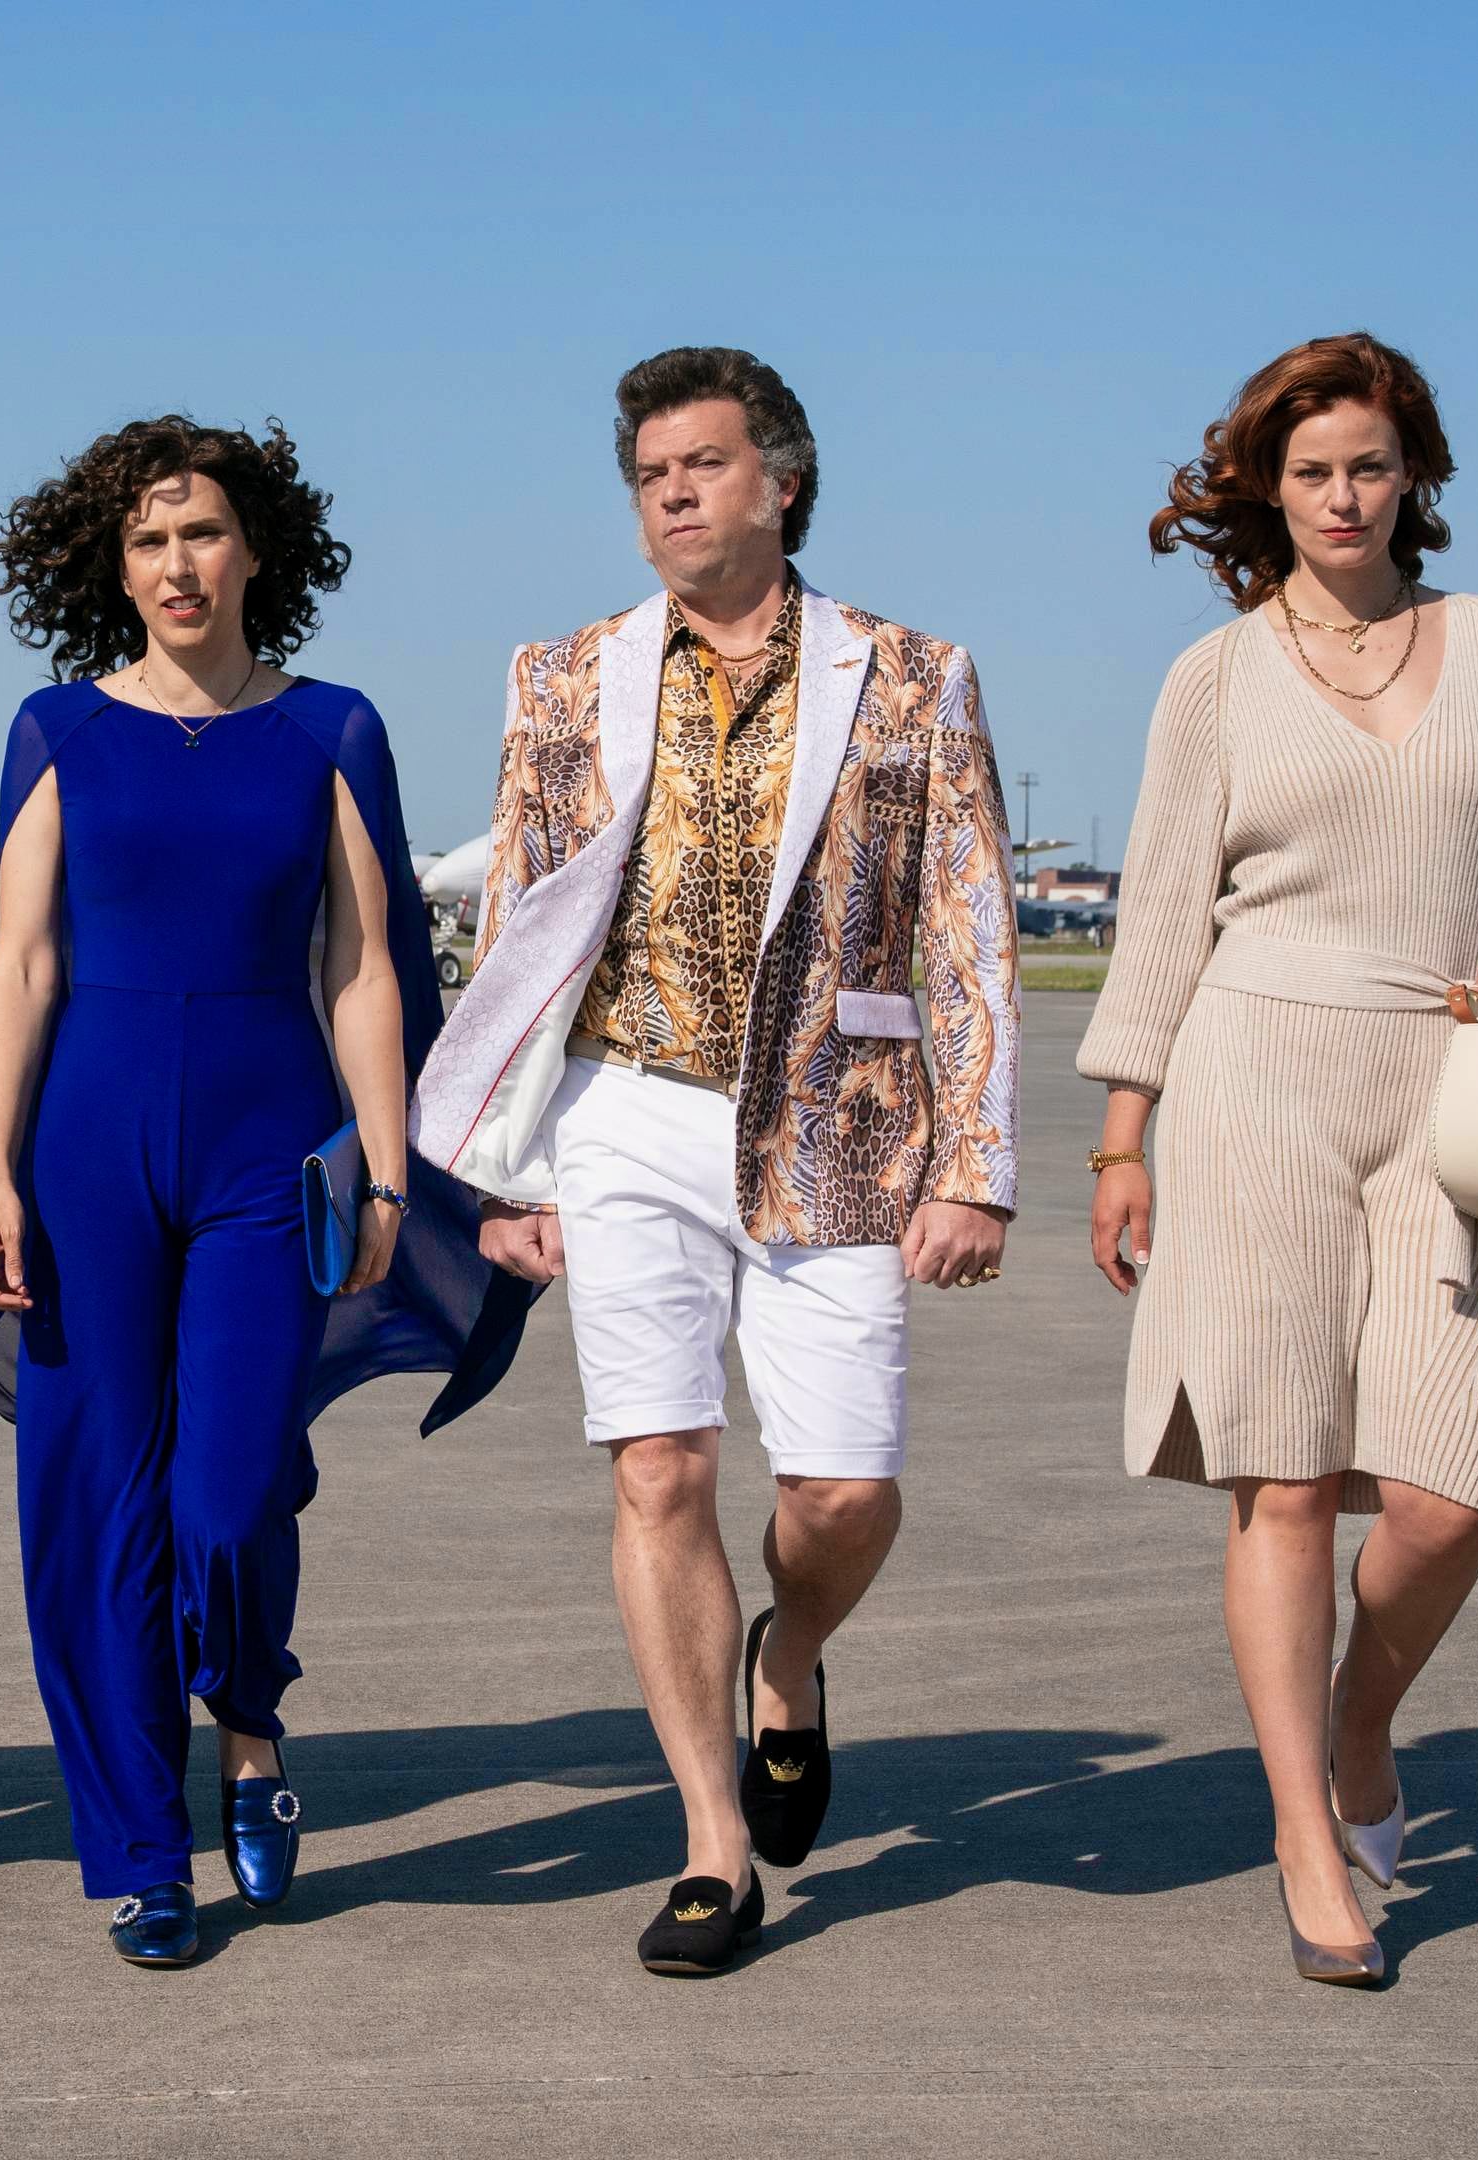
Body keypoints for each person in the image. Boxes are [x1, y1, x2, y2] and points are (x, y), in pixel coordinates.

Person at [412, 348, 1021, 1976]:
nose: (675, 493)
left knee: (844, 1491)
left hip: (839, 1119)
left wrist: (977, 1160)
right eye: (651, 475)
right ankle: (708, 1846)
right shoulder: (563, 677)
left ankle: (788, 1659)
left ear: (783, 483)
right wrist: (514, 1169)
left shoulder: (915, 676)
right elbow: (523, 925)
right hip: (624, 1107)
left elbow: (967, 924)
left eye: (705, 463)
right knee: (658, 1469)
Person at [0, 416, 526, 1968]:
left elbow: (366, 967)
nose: (177, 565)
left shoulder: (330, 728)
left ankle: (250, 1723)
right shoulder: (59, 727)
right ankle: (140, 1850)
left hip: (271, 1148)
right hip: (85, 1151)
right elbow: (23, 964)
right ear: (112, 571)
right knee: (94, 1500)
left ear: (257, 553)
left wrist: (388, 1174)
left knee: (232, 1490)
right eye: (147, 541)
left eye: (201, 534)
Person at [1079, 332, 1478, 1987]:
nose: (1343, 497)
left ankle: (1360, 1727)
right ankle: (1306, 1834)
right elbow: (1163, 919)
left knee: (1448, 1495)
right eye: (1311, 472)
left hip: (1446, 1088)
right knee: (1285, 1473)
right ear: (1269, 489)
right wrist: (1120, 1140)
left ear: (1414, 474)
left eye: (1369, 466)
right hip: (1254, 1077)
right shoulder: (1216, 678)